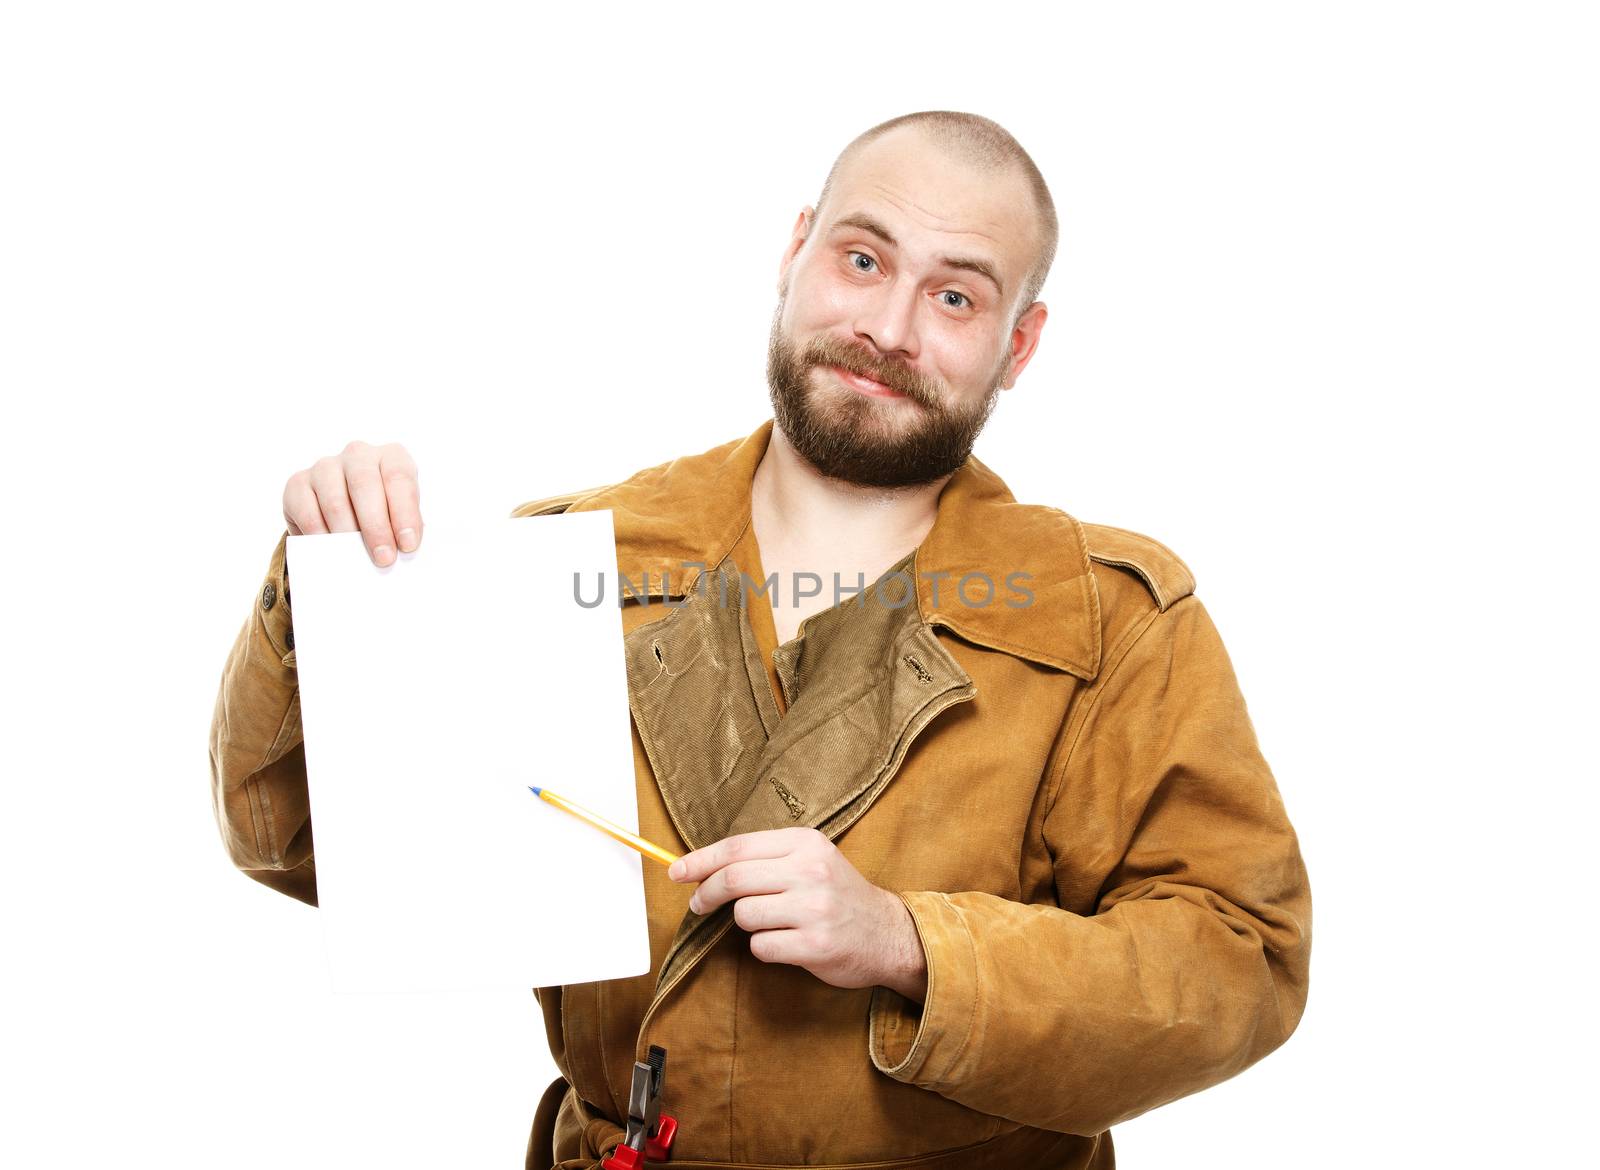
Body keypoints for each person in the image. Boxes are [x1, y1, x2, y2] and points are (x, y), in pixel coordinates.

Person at [209, 110, 1311, 1170]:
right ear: (796, 251)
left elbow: (1239, 964)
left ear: (1018, 343)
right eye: (864, 260)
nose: (889, 330)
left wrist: (910, 944)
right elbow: (305, 847)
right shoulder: (569, 565)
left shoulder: (1110, 620)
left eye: (957, 295)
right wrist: (330, 596)